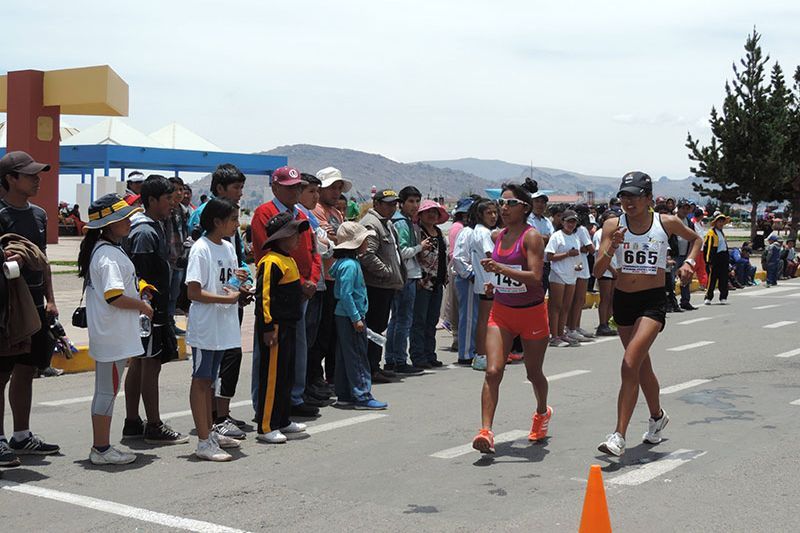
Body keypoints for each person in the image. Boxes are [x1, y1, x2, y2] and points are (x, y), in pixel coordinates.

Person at [594, 171, 701, 457]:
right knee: (642, 367)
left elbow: (696, 240)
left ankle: (618, 434)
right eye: (624, 196)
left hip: (652, 302)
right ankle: (657, 417)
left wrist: (688, 262)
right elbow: (597, 270)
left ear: (649, 198)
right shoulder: (612, 225)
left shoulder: (665, 222)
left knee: (630, 363)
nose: (628, 201)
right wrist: (612, 246)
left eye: (635, 196)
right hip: (623, 300)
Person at [471, 185, 551, 454]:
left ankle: (542, 412)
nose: (503, 208)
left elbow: (535, 277)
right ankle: (486, 431)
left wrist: (500, 269)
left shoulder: (532, 237)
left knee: (533, 372)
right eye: (500, 203)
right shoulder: (498, 236)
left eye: (510, 203)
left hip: (532, 313)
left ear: (525, 208)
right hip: (502, 312)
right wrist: (496, 282)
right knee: (493, 371)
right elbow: (503, 273)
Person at [0, 151, 60, 465]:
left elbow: (45, 262)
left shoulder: (39, 214)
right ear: (10, 178)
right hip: (7, 308)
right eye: (30, 174)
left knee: (27, 370)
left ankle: (21, 436)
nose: (37, 179)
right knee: (1, 374)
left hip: (36, 305)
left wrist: (51, 300)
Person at [78, 194, 147, 465]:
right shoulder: (107, 254)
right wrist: (143, 306)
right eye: (123, 218)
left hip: (111, 333)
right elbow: (114, 296)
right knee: (107, 392)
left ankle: (102, 446)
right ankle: (102, 448)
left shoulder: (107, 249)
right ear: (108, 225)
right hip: (113, 335)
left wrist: (139, 292)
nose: (129, 221)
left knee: (106, 390)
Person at [251, 166, 322, 418]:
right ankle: (265, 405)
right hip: (281, 291)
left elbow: (314, 251)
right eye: (290, 187)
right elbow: (264, 251)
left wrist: (311, 279)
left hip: (302, 291)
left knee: (296, 348)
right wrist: (300, 282)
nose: (295, 192)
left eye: (298, 187)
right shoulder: (264, 213)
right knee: (269, 350)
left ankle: (292, 398)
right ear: (275, 187)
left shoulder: (301, 214)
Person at [123, 175, 188, 445]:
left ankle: (133, 422)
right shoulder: (145, 232)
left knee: (141, 364)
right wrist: (150, 309)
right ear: (152, 201)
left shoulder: (153, 226)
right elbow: (140, 275)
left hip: (149, 312)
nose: (172, 204)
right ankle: (153, 425)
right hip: (148, 313)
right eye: (167, 199)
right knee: (149, 365)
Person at [188, 165, 251, 435]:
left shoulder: (227, 242)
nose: (237, 224)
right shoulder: (202, 242)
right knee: (204, 377)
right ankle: (209, 427)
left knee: (221, 367)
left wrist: (242, 282)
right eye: (235, 188)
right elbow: (195, 287)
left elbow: (234, 268)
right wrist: (227, 299)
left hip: (225, 314)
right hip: (209, 319)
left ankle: (216, 421)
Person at [254, 212, 310, 443]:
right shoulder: (270, 262)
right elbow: (264, 297)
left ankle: (283, 419)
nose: (298, 238)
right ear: (282, 236)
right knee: (272, 377)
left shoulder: (289, 260)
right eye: (294, 233)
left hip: (289, 325)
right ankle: (267, 425)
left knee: (286, 375)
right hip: (275, 328)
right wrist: (267, 327)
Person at [330, 222, 388, 410]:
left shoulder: (343, 263)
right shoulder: (350, 265)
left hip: (344, 315)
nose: (367, 243)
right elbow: (346, 294)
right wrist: (356, 318)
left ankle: (345, 393)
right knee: (357, 354)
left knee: (344, 354)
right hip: (351, 316)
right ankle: (362, 395)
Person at [310, 167, 352, 397]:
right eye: (332, 187)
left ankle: (333, 376)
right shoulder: (317, 210)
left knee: (335, 331)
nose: (336, 192)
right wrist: (343, 238)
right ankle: (317, 378)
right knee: (322, 332)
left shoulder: (336, 212)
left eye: (338, 188)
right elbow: (333, 240)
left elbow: (343, 238)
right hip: (324, 279)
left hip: (337, 277)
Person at [358, 189, 405, 383]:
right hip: (376, 285)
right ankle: (370, 367)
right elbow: (367, 255)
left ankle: (374, 365)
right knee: (374, 327)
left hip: (385, 286)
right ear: (376, 203)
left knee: (378, 327)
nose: (392, 207)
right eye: (387, 203)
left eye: (394, 204)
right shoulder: (372, 223)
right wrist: (386, 272)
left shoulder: (386, 223)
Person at [297, 173, 335, 406]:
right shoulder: (301, 215)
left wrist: (326, 242)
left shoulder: (309, 215)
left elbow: (326, 246)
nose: (316, 196)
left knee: (313, 338)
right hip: (308, 285)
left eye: (316, 191)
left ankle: (309, 383)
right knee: (305, 340)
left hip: (318, 282)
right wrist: (325, 242)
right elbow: (321, 246)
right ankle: (302, 387)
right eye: (311, 191)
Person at [386, 186, 430, 375]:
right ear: (401, 203)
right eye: (411, 201)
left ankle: (392, 359)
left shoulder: (402, 221)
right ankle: (399, 360)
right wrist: (420, 247)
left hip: (406, 275)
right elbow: (403, 252)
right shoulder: (402, 223)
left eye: (417, 201)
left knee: (397, 320)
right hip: (406, 276)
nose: (415, 205)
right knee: (403, 320)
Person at [410, 200, 448, 369]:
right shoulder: (417, 232)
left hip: (437, 282)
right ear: (421, 215)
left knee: (431, 320)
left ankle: (429, 354)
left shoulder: (439, 232)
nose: (432, 215)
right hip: (422, 283)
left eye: (435, 212)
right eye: (428, 212)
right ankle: (418, 356)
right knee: (419, 321)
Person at [467, 199, 498, 370]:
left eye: (495, 212)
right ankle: (480, 355)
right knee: (486, 320)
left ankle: (485, 353)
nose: (493, 216)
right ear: (480, 215)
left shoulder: (479, 231)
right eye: (489, 213)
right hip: (489, 281)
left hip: (485, 280)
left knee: (487, 320)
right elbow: (492, 256)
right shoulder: (484, 233)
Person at [544, 209, 582, 347]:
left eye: (574, 221)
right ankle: (554, 336)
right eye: (569, 221)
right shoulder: (556, 236)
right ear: (563, 222)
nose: (571, 224)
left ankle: (561, 333)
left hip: (571, 274)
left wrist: (579, 265)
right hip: (558, 274)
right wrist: (567, 254)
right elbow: (548, 256)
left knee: (566, 306)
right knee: (556, 306)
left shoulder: (575, 237)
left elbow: (577, 256)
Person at [441, 198, 471, 352]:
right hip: (458, 268)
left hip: (456, 267)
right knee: (458, 305)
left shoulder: (457, 227)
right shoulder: (459, 228)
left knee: (456, 304)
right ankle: (458, 338)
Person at [565, 205, 596, 342]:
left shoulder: (566, 231)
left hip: (570, 265)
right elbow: (592, 248)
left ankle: (573, 326)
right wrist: (584, 248)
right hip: (580, 266)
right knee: (578, 299)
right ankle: (573, 327)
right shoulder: (582, 230)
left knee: (572, 300)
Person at [452, 203, 477, 365]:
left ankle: (475, 349)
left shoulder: (484, 232)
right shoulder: (467, 232)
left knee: (478, 318)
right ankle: (466, 353)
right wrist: (471, 274)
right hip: (469, 279)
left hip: (482, 280)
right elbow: (459, 258)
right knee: (469, 318)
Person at [165, 176, 190, 336]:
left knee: (174, 294)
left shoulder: (184, 211)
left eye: (181, 189)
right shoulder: (166, 210)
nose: (179, 193)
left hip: (179, 260)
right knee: (166, 294)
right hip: (167, 259)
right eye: (176, 190)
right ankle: (166, 324)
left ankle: (171, 322)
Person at [593, 210, 619, 336]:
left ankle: (610, 322)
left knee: (613, 298)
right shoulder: (600, 234)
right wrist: (612, 270)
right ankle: (602, 324)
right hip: (605, 270)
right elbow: (601, 254)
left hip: (615, 270)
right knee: (605, 298)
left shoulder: (618, 234)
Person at [527, 191, 554, 293]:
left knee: (541, 293)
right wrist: (542, 238)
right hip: (530, 263)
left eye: (543, 202)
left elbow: (553, 240)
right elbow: (531, 240)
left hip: (545, 263)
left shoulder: (547, 221)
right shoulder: (527, 220)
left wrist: (541, 238)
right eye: (537, 201)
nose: (540, 204)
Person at [674, 199, 698, 310]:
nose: (685, 210)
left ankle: (685, 301)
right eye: (683, 207)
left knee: (686, 279)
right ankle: (671, 302)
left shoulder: (689, 223)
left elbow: (694, 239)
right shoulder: (672, 220)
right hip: (675, 254)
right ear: (678, 208)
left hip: (686, 254)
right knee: (671, 280)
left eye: (687, 208)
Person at [702, 213, 731, 304]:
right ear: (716, 222)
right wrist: (708, 261)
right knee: (712, 279)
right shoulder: (711, 233)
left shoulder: (722, 233)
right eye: (719, 221)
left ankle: (723, 297)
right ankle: (708, 297)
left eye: (722, 221)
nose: (721, 223)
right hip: (715, 258)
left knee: (723, 278)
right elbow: (709, 248)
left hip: (723, 258)